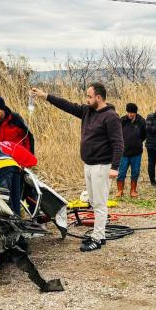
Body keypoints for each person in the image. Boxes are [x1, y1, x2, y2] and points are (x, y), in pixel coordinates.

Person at [30, 83, 123, 252]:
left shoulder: (111, 117)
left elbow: (118, 143)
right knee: (93, 202)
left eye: (89, 96)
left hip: (102, 166)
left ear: (99, 97)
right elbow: (67, 105)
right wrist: (45, 96)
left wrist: (114, 167)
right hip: (88, 164)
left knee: (100, 204)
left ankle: (97, 237)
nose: (86, 99)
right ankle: (99, 235)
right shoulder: (87, 111)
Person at [117, 102, 146, 198]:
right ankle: (120, 190)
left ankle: (133, 190)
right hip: (124, 152)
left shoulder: (141, 121)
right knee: (121, 172)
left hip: (136, 152)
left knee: (135, 171)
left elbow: (143, 136)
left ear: (136, 113)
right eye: (128, 112)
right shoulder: (122, 120)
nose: (130, 114)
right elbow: (118, 134)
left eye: (132, 113)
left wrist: (137, 142)